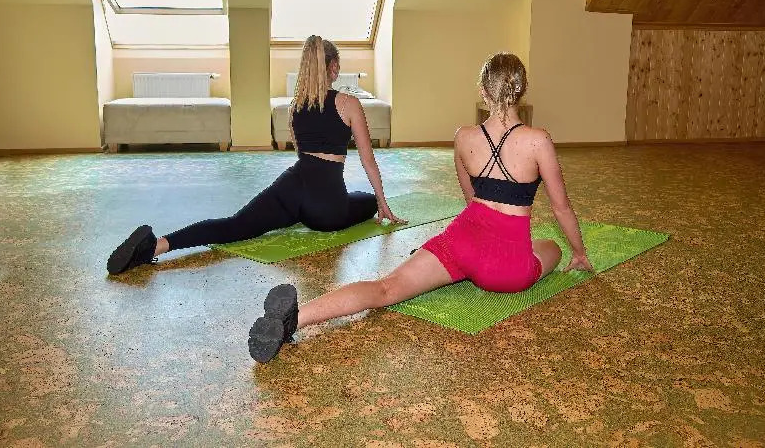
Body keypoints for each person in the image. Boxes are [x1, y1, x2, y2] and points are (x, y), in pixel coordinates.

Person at [248, 52, 593, 362]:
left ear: (483, 91)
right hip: (506, 269)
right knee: (552, 247)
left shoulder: (464, 137)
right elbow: (561, 208)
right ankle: (570, 255)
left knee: (385, 288)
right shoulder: (538, 140)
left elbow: (471, 201)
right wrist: (579, 252)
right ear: (521, 90)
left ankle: (295, 318)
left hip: (461, 243)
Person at [107, 35, 405, 275]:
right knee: (366, 201)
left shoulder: (294, 107)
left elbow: (302, 153)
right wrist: (382, 203)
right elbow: (367, 160)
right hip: (326, 208)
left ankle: (157, 245)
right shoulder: (349, 103)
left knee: (234, 225)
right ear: (335, 67)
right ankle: (366, 204)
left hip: (291, 188)